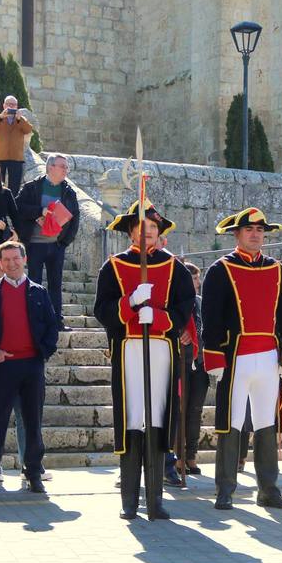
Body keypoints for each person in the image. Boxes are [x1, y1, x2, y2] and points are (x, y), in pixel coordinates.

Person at [94, 200, 196, 520]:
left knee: (156, 421)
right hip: (128, 351)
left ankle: (155, 500)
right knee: (132, 421)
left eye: (152, 228)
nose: (147, 233)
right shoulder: (113, 267)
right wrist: (130, 303)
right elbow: (102, 311)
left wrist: (162, 318)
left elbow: (184, 307)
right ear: (131, 232)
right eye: (141, 229)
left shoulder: (174, 266)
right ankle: (129, 499)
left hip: (162, 351)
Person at [202, 207, 282, 511]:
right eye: (249, 230)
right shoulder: (221, 269)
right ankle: (225, 489)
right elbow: (211, 317)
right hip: (236, 357)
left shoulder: (276, 269)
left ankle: (269, 489)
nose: (256, 235)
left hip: (268, 358)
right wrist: (213, 354)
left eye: (260, 230)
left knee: (266, 423)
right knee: (230, 424)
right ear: (237, 234)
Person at [0, 241, 59, 494]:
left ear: (25, 260)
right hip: (1, 366)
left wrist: (42, 352)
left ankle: (33, 472)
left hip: (31, 366)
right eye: (6, 260)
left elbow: (52, 327)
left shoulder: (39, 292)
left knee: (33, 422)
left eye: (15, 259)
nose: (11, 263)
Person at [14, 153, 79, 329]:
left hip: (56, 246)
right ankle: (34, 321)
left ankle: (56, 321)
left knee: (55, 285)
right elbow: (18, 209)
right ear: (50, 167)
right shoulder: (32, 187)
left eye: (67, 167)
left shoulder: (69, 191)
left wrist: (64, 243)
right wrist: (40, 211)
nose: (66, 170)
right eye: (62, 166)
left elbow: (75, 219)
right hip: (34, 245)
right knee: (34, 283)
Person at [179, 261, 208, 476]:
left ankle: (191, 455)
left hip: (200, 362)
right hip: (181, 361)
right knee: (181, 409)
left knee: (196, 410)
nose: (198, 282)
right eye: (195, 277)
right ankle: (178, 455)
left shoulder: (201, 302)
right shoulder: (179, 301)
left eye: (198, 278)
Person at [0, 95, 34, 191]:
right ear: (4, 105)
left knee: (15, 185)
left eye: (14, 105)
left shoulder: (21, 119)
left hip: (16, 158)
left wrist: (20, 119)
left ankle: (12, 204)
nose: (11, 107)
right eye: (9, 104)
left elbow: (28, 130)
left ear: (17, 106)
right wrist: (1, 117)